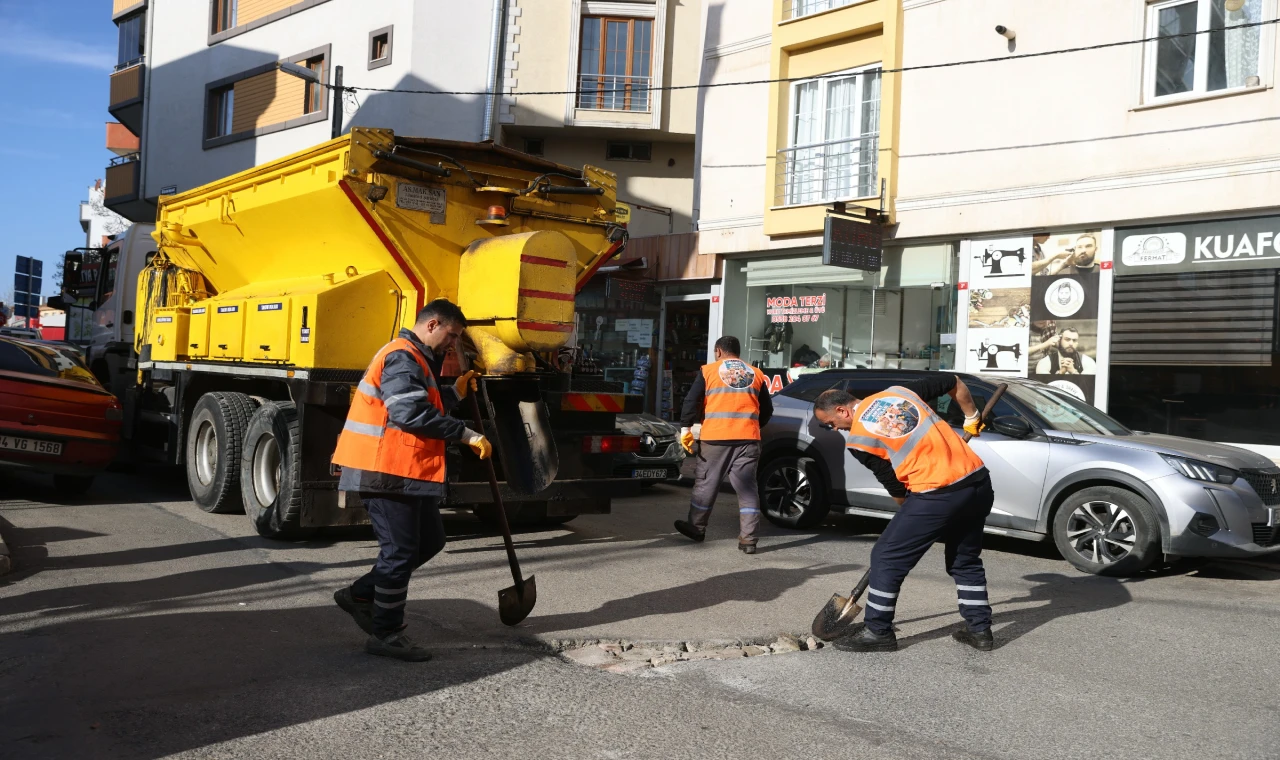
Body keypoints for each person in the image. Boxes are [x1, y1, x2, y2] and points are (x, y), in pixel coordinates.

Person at [331, 299, 492, 662]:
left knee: (430, 541)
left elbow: (422, 404)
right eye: (452, 335)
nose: (453, 345)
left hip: (405, 470)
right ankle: (386, 632)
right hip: (384, 471)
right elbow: (408, 414)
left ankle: (359, 594)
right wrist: (465, 434)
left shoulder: (417, 360)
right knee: (400, 552)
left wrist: (455, 394)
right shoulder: (402, 356)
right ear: (432, 324)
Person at [811, 374, 996, 652]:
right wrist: (971, 416)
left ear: (842, 410)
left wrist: (909, 515)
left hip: (937, 494)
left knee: (886, 557)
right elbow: (953, 381)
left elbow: (896, 486)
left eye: (831, 424)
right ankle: (980, 630)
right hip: (978, 482)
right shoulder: (901, 392)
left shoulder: (859, 440)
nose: (835, 429)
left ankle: (878, 632)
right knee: (964, 560)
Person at [675, 335, 773, 554]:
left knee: (706, 484)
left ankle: (696, 528)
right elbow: (767, 410)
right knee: (747, 490)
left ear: (718, 351)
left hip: (716, 439)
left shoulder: (708, 371)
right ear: (737, 352)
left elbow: (692, 400)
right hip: (748, 439)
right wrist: (751, 426)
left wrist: (685, 428)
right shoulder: (756, 374)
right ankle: (749, 540)